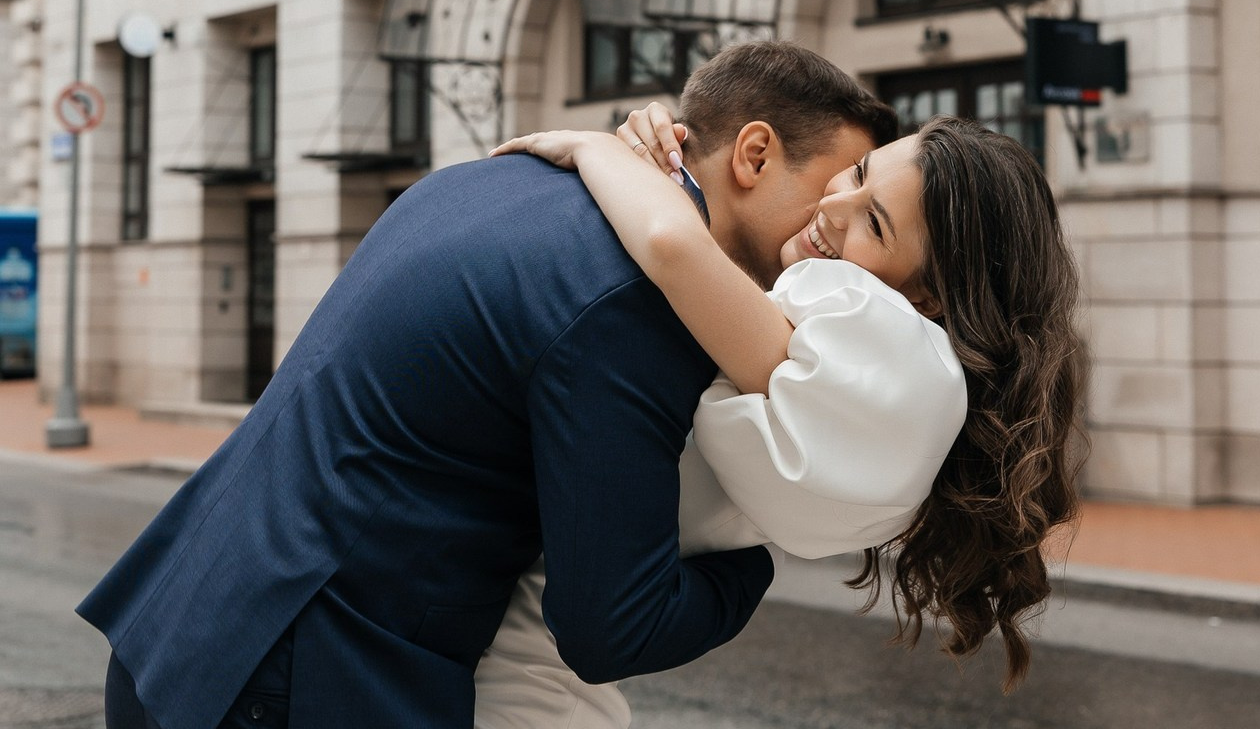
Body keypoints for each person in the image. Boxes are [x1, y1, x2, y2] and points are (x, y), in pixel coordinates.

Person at [81, 41, 897, 729]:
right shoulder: (635, 306)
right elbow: (613, 628)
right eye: (830, 185)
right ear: (754, 155)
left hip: (179, 624)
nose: (830, 222)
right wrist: (753, 563)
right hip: (303, 678)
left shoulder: (488, 179)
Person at [479, 104, 1083, 724]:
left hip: (531, 666)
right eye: (857, 172)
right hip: (529, 640)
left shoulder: (885, 356)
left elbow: (670, 243)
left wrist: (598, 153)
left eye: (874, 224)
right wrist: (652, 153)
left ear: (926, 296)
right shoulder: (863, 348)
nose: (833, 209)